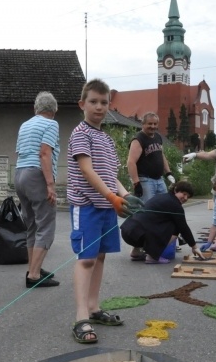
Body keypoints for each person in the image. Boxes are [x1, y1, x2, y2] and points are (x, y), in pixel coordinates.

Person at [67, 78, 144, 344]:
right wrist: (112, 197)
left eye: (104, 102)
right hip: (87, 206)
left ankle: (93, 308)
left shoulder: (107, 140)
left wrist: (126, 195)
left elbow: (111, 176)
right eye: (93, 102)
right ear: (82, 104)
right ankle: (81, 318)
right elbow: (87, 170)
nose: (99, 107)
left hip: (107, 206)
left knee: (99, 258)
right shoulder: (81, 134)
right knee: (86, 259)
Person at [14, 91, 60, 289]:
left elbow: (20, 152)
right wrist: (50, 184)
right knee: (46, 224)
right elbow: (44, 153)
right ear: (54, 110)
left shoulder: (25, 124)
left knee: (32, 224)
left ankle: (34, 268)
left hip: (19, 174)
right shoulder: (51, 124)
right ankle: (34, 275)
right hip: (36, 175)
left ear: (36, 108)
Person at [125, 112, 175, 260]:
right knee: (146, 214)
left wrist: (168, 172)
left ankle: (161, 242)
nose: (152, 126)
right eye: (149, 124)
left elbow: (161, 156)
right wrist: (136, 183)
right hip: (145, 180)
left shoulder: (158, 137)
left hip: (159, 180)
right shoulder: (138, 139)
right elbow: (131, 162)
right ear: (143, 124)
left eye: (155, 124)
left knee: (164, 211)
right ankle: (137, 248)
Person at [121, 181, 205, 264]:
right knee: (175, 227)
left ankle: (136, 252)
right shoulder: (175, 205)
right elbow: (183, 227)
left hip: (127, 231)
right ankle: (152, 256)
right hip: (139, 236)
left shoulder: (161, 196)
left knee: (147, 222)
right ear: (175, 190)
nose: (186, 198)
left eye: (188, 196)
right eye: (184, 194)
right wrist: (194, 247)